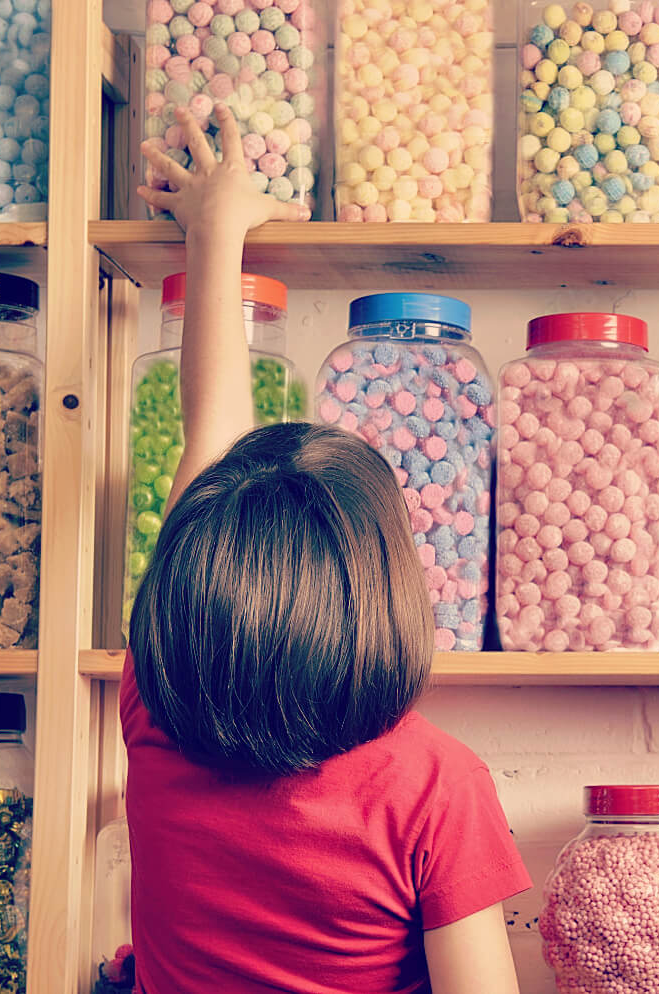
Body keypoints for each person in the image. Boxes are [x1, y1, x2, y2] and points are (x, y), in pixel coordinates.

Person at [123, 105, 529, 994]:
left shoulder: (156, 711)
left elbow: (209, 435)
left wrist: (214, 227)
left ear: (196, 582)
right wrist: (219, 232)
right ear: (390, 588)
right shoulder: (433, 783)